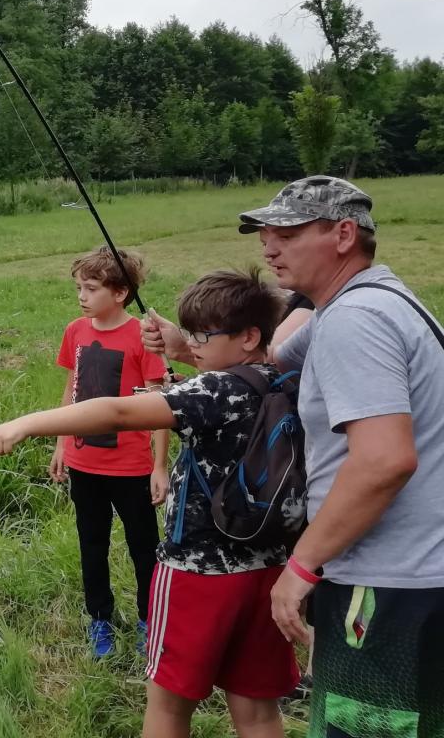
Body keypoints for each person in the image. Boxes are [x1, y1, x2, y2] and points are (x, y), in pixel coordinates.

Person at [146, 176, 444, 736]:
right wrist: (190, 346)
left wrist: (300, 567)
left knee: (367, 730)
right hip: (409, 574)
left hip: (388, 583)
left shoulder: (355, 321)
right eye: (266, 235)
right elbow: (267, 366)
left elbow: (384, 461)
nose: (269, 247)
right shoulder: (364, 304)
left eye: (287, 234)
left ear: (344, 235)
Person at [0, 269, 301, 738]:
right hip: (267, 569)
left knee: (167, 707)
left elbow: (120, 411)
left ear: (249, 337)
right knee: (259, 712)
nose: (193, 345)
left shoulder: (213, 391)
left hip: (196, 572)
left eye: (202, 336)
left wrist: (24, 424)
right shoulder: (281, 381)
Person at [50, 245, 170, 657]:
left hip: (131, 467)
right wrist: (61, 442)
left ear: (121, 293)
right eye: (78, 288)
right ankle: (99, 618)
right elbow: (72, 387)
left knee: (144, 548)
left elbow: (159, 405)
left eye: (91, 288)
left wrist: (159, 466)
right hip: (84, 463)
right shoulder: (75, 331)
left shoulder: (142, 336)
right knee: (92, 543)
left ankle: (148, 619)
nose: (82, 296)